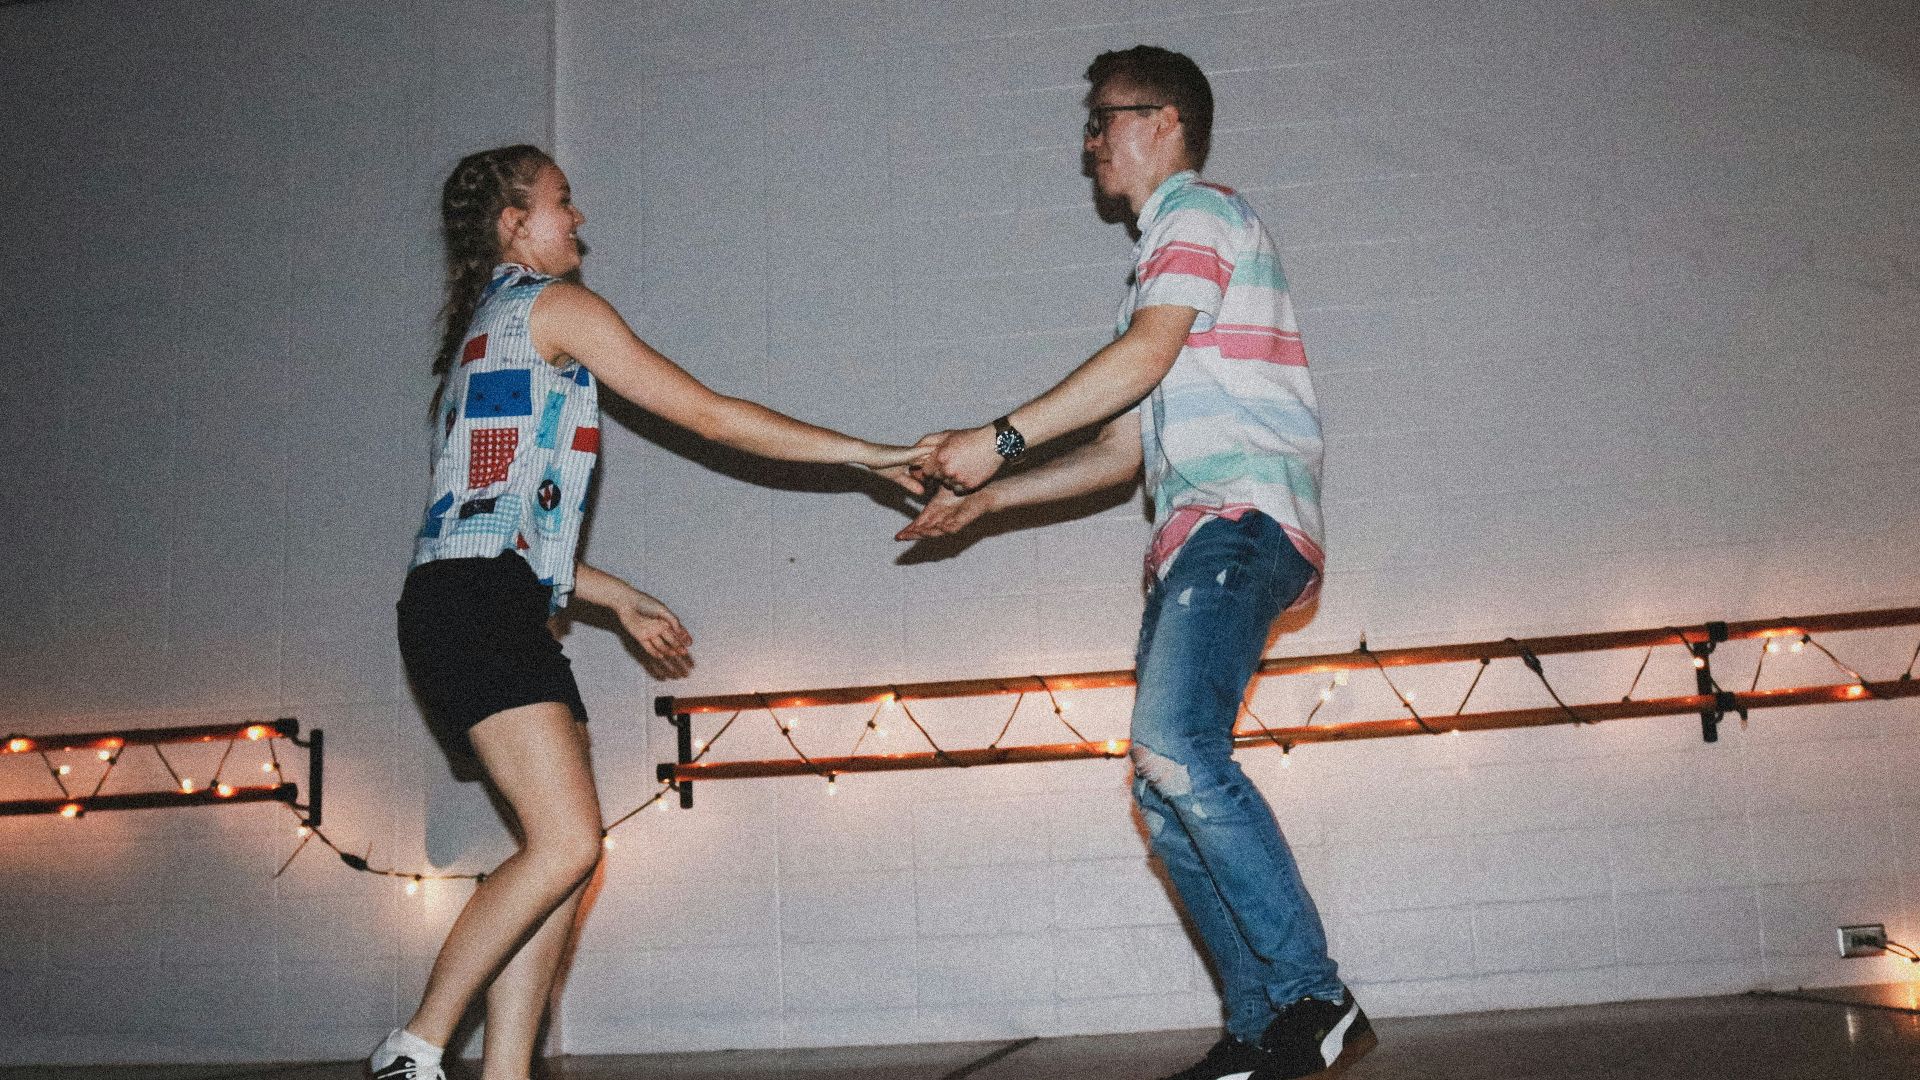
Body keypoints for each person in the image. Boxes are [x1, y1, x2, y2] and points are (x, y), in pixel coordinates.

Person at [376, 144, 923, 1080]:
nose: (579, 218)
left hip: (478, 598)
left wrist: (617, 594)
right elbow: (709, 415)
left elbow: (495, 523)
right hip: (475, 604)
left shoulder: (487, 327)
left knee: (561, 858)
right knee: (566, 843)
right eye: (562, 201)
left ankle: (506, 1071)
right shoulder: (554, 307)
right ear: (514, 223)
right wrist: (867, 454)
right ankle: (415, 1047)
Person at [900, 47, 1372, 1080]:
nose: (1089, 144)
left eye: (1102, 121)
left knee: (1174, 746)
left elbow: (1142, 360)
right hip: (1193, 541)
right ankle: (1258, 1029)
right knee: (1162, 790)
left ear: (1163, 122)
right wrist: (988, 499)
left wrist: (998, 440)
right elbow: (1121, 452)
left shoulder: (1197, 213)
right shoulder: (1155, 280)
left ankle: (1316, 995)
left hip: (1240, 523)